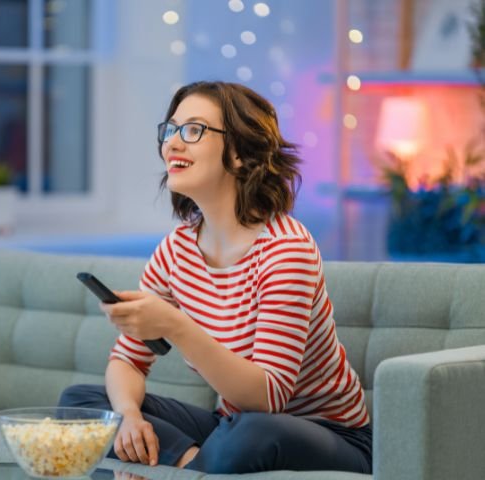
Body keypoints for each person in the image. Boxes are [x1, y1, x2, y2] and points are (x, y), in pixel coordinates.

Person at [58, 81, 372, 474]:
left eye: (193, 130)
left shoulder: (285, 249)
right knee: (81, 403)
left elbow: (268, 398)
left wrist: (174, 324)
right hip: (231, 428)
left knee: (250, 432)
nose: (172, 143)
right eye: (170, 130)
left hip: (328, 434)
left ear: (240, 153)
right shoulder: (176, 250)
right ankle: (197, 466)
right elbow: (128, 361)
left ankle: (198, 463)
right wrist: (129, 418)